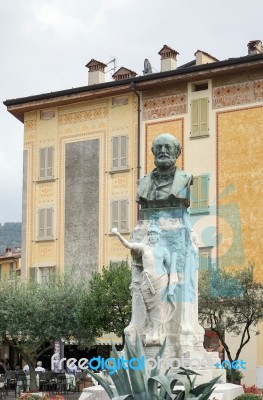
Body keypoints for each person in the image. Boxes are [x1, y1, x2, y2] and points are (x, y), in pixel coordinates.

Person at [112, 225, 174, 345]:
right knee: (148, 307)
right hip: (147, 280)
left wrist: (171, 286)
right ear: (149, 236)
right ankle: (150, 329)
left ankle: (156, 332)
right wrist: (118, 234)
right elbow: (129, 245)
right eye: (150, 234)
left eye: (155, 234)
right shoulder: (144, 248)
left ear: (158, 236)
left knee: (159, 307)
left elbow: (170, 268)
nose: (153, 236)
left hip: (161, 280)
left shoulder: (163, 250)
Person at [137, 133, 193, 209]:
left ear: (177, 152)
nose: (163, 151)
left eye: (168, 147)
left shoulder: (185, 179)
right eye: (159, 147)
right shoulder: (143, 182)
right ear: (153, 151)